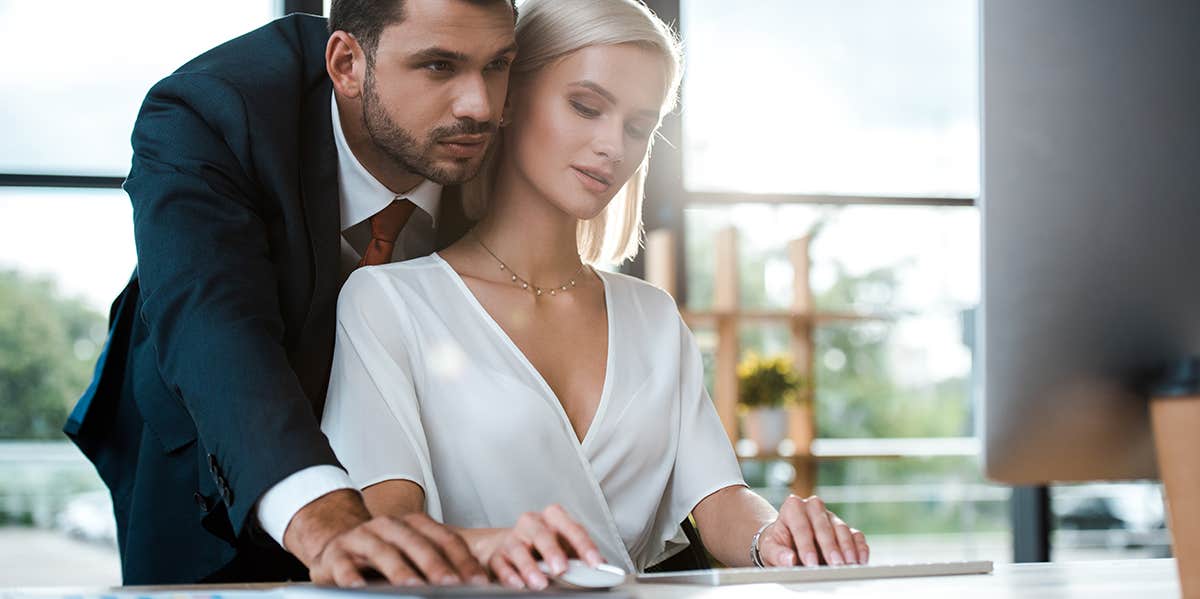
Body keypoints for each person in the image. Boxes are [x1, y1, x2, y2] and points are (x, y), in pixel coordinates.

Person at [321, 0, 870, 590]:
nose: (614, 146)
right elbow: (387, 524)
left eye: (639, 127)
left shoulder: (653, 316)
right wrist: (494, 548)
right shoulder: (388, 302)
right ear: (509, 100)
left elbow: (722, 503)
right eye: (586, 107)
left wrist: (778, 540)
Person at [63, 0, 519, 586]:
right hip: (210, 442)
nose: (480, 107)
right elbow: (213, 324)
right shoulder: (211, 110)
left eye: (498, 64)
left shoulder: (505, 116)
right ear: (347, 64)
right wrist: (328, 522)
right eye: (437, 67)